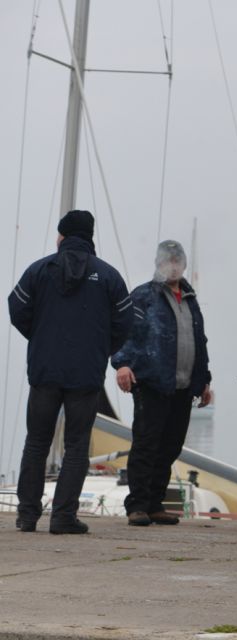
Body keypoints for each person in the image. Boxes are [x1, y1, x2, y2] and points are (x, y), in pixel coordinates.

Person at [8, 209, 132, 534]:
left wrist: (40, 337)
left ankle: (27, 516)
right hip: (85, 374)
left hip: (44, 371)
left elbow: (16, 309)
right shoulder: (109, 277)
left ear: (62, 236)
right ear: (90, 237)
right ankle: (63, 517)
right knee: (77, 445)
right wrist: (100, 349)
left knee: (36, 442)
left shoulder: (39, 270)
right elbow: (125, 323)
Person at [112, 240, 213, 526]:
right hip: (152, 381)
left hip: (183, 386)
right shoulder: (144, 296)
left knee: (171, 446)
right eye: (167, 262)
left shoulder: (190, 299)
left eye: (177, 261)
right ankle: (138, 505)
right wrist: (122, 364)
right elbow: (127, 332)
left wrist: (204, 380)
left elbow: (199, 342)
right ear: (158, 265)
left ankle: (155, 503)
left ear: (183, 265)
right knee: (146, 443)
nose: (173, 266)